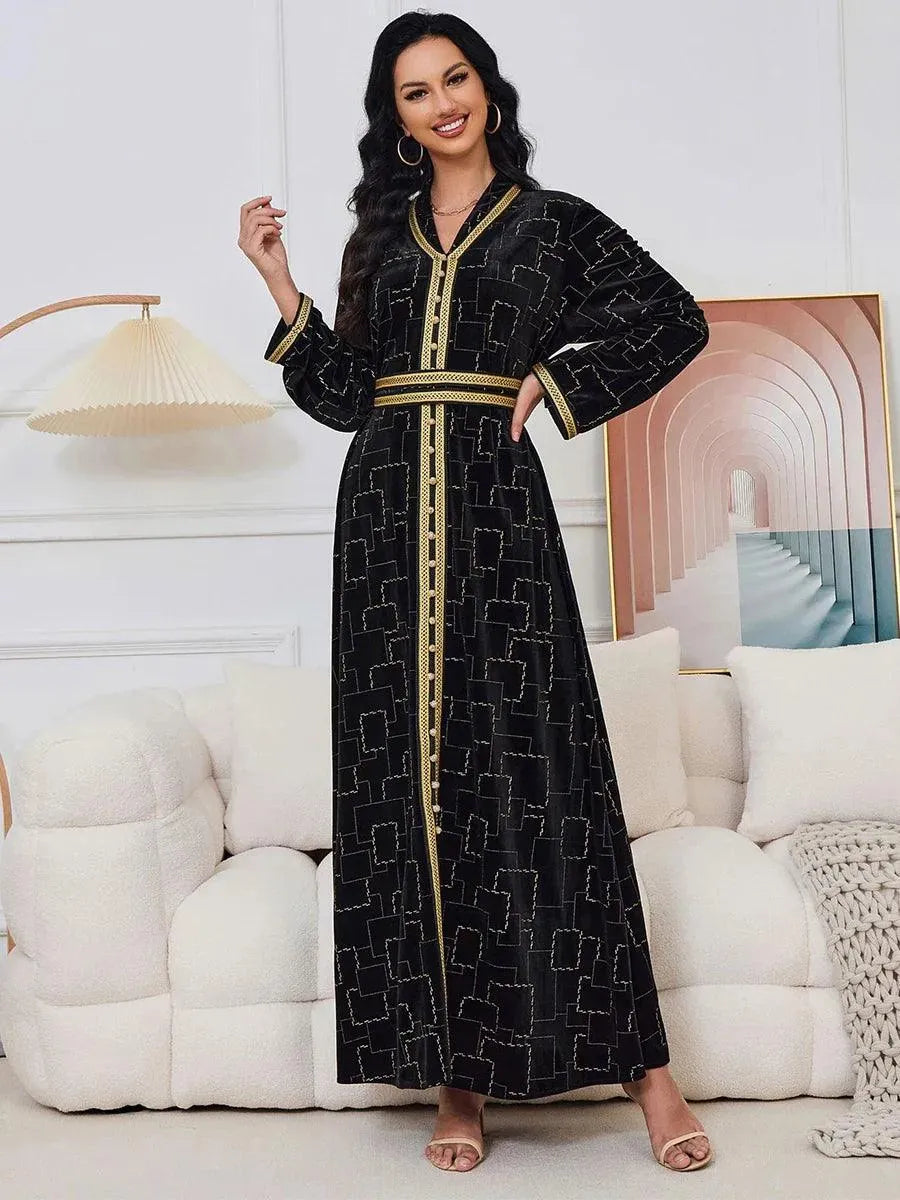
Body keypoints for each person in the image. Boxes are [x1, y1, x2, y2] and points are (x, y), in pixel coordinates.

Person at [239, 9, 714, 1176]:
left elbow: (675, 321)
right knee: (413, 794)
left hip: (499, 520)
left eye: (455, 79)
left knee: (549, 779)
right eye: (416, 91)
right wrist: (281, 286)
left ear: (487, 89)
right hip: (383, 526)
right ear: (396, 118)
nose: (442, 103)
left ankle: (648, 1073)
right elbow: (347, 397)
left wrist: (557, 381)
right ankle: (460, 1077)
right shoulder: (380, 241)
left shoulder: (554, 226)